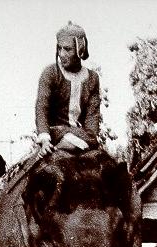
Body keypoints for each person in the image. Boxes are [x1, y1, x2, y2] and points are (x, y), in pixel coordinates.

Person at [35, 21, 100, 159]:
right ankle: (56, 148)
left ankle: (67, 146)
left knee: (92, 140)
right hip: (55, 133)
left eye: (67, 49)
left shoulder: (93, 78)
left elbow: (92, 120)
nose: (61, 54)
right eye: (59, 48)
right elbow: (42, 107)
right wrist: (45, 139)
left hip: (81, 135)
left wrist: (89, 137)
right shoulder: (51, 73)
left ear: (80, 49)